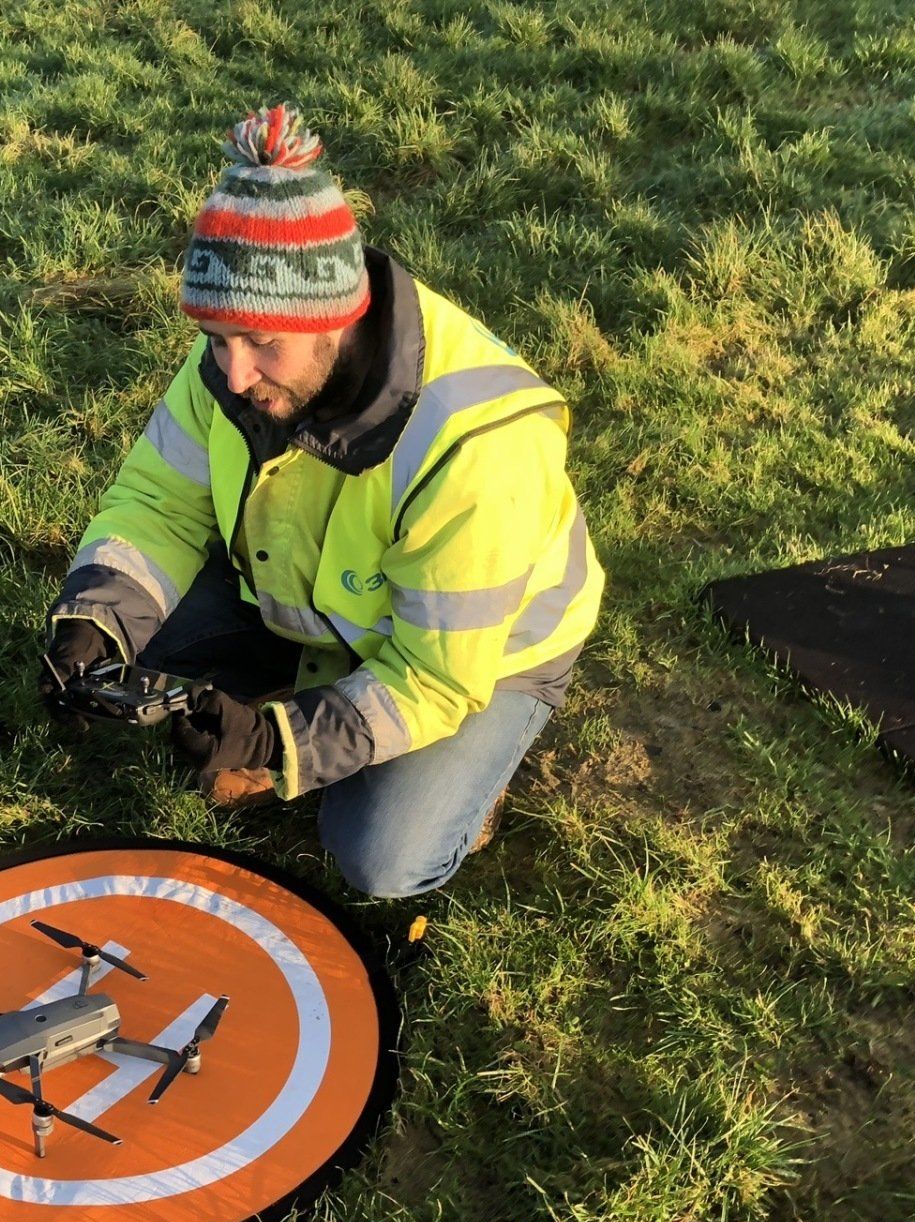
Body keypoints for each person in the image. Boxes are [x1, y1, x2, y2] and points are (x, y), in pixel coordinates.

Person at [40, 102, 605, 898]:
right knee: (131, 656)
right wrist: (93, 620)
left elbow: (434, 677)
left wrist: (276, 745)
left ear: (334, 319)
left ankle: (474, 782)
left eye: (262, 345)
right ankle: (304, 686)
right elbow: (156, 504)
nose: (232, 375)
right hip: (299, 591)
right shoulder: (238, 362)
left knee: (385, 859)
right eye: (215, 338)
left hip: (480, 652)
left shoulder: (479, 446)